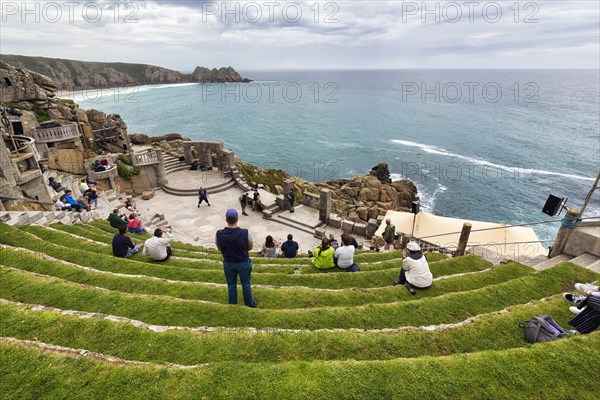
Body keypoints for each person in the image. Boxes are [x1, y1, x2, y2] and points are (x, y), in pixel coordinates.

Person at [216, 209, 257, 308]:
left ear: (226, 220)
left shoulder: (219, 234)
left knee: (231, 284)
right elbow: (250, 246)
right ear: (237, 219)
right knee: (246, 283)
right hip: (243, 261)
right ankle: (250, 303)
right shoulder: (245, 233)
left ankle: (233, 304)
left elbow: (219, 248)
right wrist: (242, 250)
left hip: (228, 262)